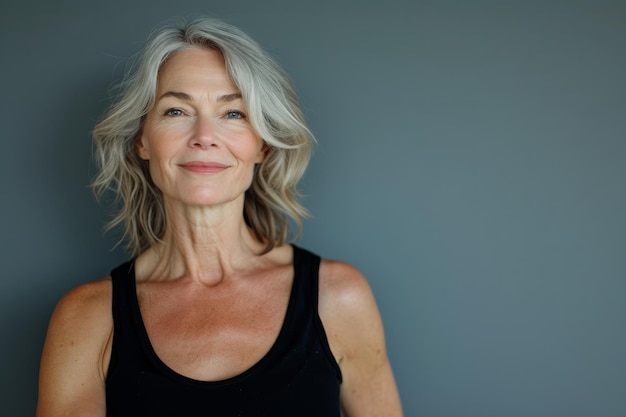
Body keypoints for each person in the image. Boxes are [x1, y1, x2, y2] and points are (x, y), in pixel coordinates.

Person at [36, 17, 403, 417]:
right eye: (176, 110)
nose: (204, 135)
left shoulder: (339, 298)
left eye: (233, 114)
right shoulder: (87, 319)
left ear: (261, 144)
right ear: (141, 140)